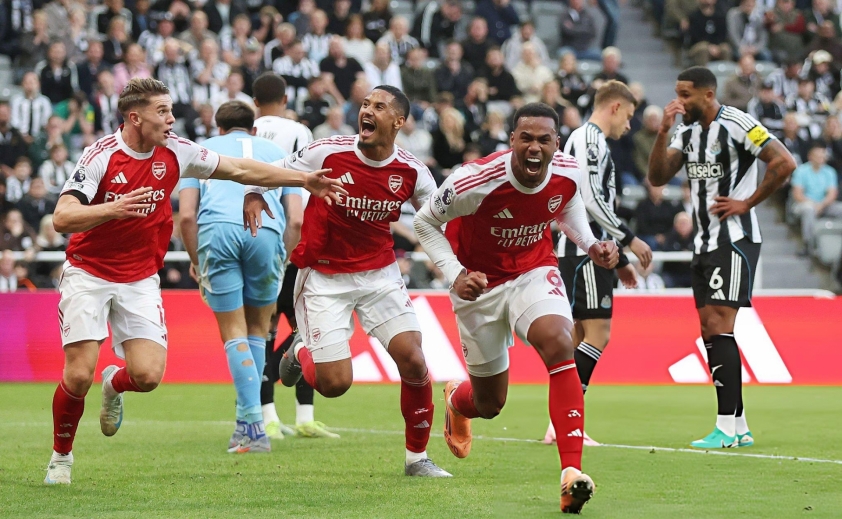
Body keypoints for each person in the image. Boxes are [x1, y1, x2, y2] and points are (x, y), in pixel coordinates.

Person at [43, 77, 344, 485]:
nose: (172, 118)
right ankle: (61, 458)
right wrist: (112, 209)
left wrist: (302, 180)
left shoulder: (178, 151)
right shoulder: (101, 156)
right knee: (78, 376)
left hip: (139, 277)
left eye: (171, 110)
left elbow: (239, 169)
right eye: (162, 111)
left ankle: (115, 381)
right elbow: (62, 217)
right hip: (89, 272)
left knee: (147, 376)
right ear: (135, 117)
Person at [412, 102, 619, 513]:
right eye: (526, 138)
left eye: (544, 139)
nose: (535, 147)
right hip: (478, 285)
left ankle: (571, 474)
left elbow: (566, 206)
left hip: (533, 271)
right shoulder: (474, 180)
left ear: (556, 143)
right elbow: (424, 222)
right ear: (512, 140)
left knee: (559, 342)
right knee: (490, 404)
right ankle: (457, 401)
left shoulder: (569, 171)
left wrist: (590, 244)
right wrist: (455, 274)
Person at [243, 85, 451, 477]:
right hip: (324, 277)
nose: (367, 110)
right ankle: (299, 352)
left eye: (379, 106)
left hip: (380, 275)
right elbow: (280, 168)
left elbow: (437, 220)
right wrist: (255, 191)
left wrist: (456, 266)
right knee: (335, 384)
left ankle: (417, 458)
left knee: (414, 359)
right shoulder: (328, 151)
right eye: (365, 104)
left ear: (399, 122)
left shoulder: (412, 170)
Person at [648, 67, 796, 449]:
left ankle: (725, 428)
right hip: (703, 242)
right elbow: (658, 177)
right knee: (709, 328)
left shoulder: (738, 123)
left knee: (718, 325)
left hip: (734, 239)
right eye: (677, 93)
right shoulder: (685, 132)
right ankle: (740, 426)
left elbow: (784, 162)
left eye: (686, 95)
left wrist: (748, 202)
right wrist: (662, 131)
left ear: (708, 94)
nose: (679, 102)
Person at [179, 100, 302, 453]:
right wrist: (282, 258)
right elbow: (296, 219)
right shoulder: (278, 152)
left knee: (233, 332)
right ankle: (246, 425)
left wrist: (196, 260)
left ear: (218, 129)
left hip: (217, 231)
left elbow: (186, 216)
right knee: (258, 332)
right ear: (254, 129)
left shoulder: (200, 151)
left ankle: (253, 428)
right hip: (266, 233)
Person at [550, 81, 653, 447]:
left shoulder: (586, 140)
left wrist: (620, 259)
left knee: (578, 336)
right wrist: (629, 239)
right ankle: (567, 422)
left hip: (587, 251)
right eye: (629, 115)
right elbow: (592, 200)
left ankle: (559, 423)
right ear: (615, 107)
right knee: (598, 333)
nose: (629, 124)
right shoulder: (590, 139)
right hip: (588, 252)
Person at [251, 72, 336, 439]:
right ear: (285, 100)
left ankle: (266, 416)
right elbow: (308, 189)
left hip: (255, 239)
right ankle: (304, 416)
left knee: (263, 331)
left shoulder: (247, 132)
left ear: (255, 102)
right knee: (304, 330)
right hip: (294, 243)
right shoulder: (299, 131)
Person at [789, 144, 842, 254]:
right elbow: (797, 194)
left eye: (822, 156)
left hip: (824, 204)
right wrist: (813, 204)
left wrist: (821, 205)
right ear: (810, 157)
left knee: (840, 208)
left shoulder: (830, 172)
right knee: (809, 210)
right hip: (805, 203)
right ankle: (808, 243)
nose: (820, 159)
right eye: (817, 156)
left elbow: (832, 193)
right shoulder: (801, 171)